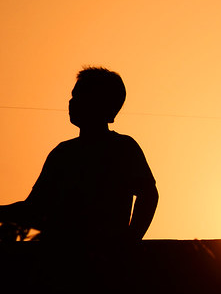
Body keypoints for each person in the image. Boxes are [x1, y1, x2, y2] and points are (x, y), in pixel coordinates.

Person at [0, 67, 158, 242]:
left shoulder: (122, 149)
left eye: (80, 96)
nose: (71, 102)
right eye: (73, 96)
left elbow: (149, 195)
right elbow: (34, 209)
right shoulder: (63, 153)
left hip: (97, 258)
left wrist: (131, 240)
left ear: (102, 105)